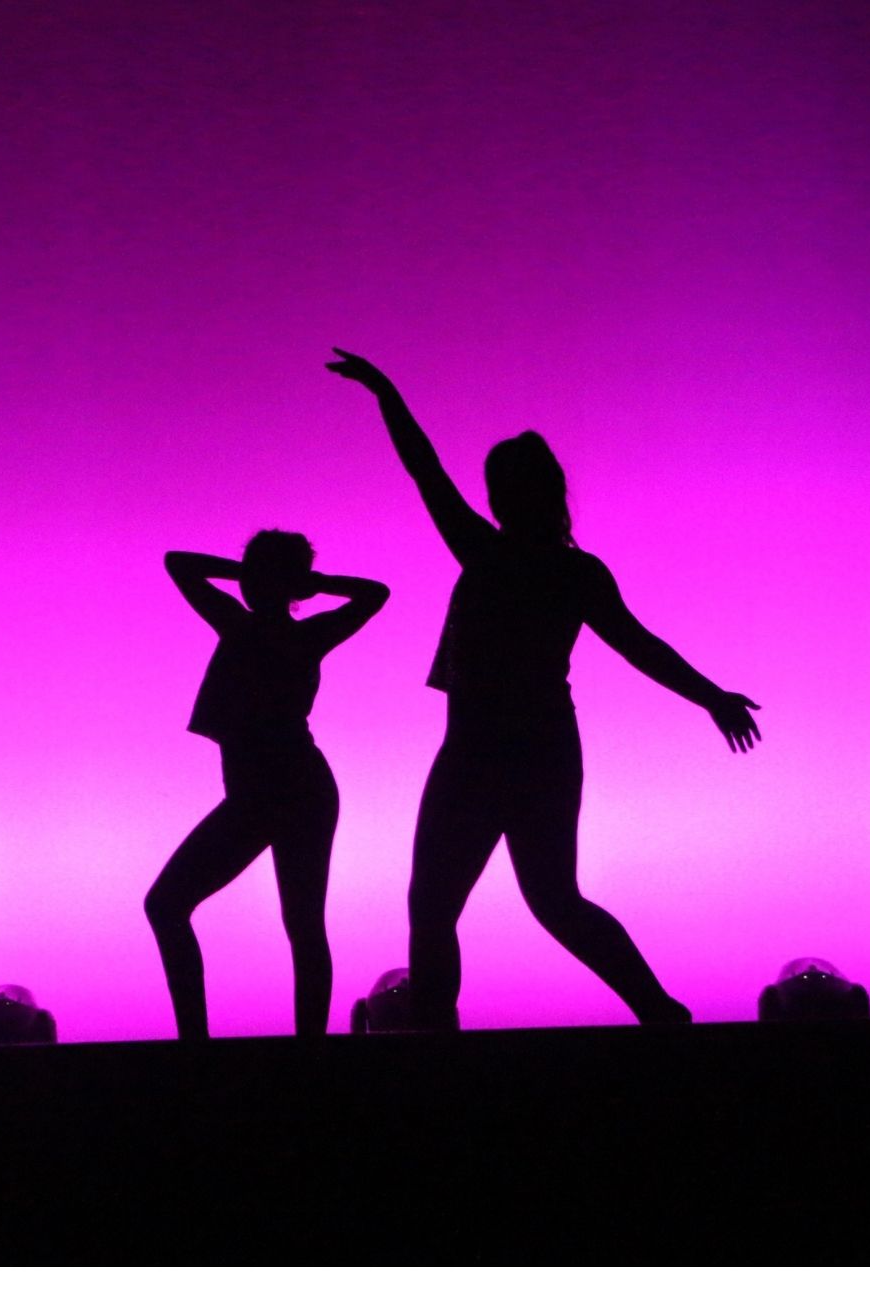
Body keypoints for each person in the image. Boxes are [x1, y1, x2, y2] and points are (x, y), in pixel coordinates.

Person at [326, 348, 761, 1028]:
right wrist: (712, 698)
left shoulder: (505, 556)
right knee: (524, 901)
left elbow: (425, 472)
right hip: (525, 748)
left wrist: (384, 390)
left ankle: (646, 1013)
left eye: (501, 487)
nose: (493, 498)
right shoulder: (564, 569)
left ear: (521, 495)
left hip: (494, 752)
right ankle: (655, 1013)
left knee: (460, 904)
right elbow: (639, 645)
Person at [144, 533, 389, 1039]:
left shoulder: (251, 627)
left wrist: (292, 582)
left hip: (281, 789)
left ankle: (207, 1042)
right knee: (297, 925)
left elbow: (375, 593)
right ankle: (242, 1043)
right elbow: (179, 562)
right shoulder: (264, 628)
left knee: (180, 906)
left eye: (259, 570)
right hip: (289, 788)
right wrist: (282, 580)